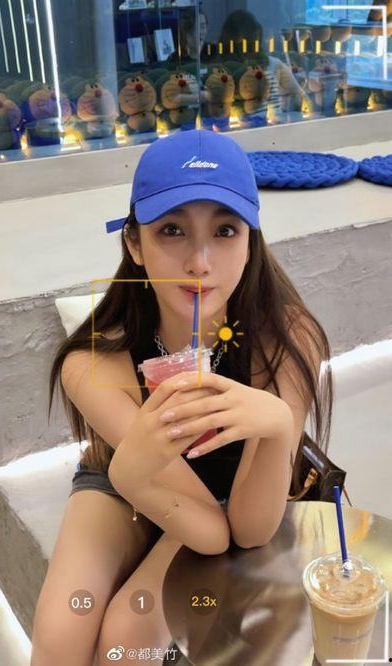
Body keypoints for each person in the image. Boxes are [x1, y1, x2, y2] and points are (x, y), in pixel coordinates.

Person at [30, 129, 333, 665]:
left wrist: (278, 427)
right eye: (172, 230)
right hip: (131, 480)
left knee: (127, 637)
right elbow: (189, 517)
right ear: (134, 244)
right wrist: (129, 475)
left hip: (239, 489)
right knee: (59, 634)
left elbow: (243, 530)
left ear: (250, 241)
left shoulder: (285, 341)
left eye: (225, 230)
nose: (199, 261)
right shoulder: (95, 363)